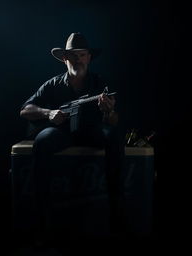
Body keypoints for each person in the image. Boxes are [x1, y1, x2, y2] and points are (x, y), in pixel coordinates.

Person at [20, 32, 125, 242]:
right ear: (65, 58)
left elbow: (113, 121)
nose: (79, 59)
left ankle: (117, 217)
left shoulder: (99, 83)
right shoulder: (53, 84)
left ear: (89, 57)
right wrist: (48, 113)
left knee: (114, 136)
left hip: (92, 131)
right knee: (42, 141)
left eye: (83, 55)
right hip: (62, 133)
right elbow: (25, 110)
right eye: (74, 55)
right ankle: (42, 222)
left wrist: (109, 111)